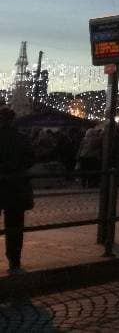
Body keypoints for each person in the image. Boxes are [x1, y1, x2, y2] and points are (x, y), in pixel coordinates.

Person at [0, 107, 35, 274]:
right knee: (15, 226)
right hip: (16, 186)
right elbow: (30, 160)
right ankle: (14, 260)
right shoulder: (21, 138)